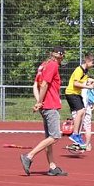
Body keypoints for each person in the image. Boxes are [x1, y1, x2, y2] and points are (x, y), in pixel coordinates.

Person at [20, 47, 68, 176]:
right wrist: (40, 102)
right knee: (55, 136)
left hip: (44, 106)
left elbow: (35, 85)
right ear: (61, 56)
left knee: (49, 138)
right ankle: (29, 156)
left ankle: (52, 166)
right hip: (50, 105)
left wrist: (38, 102)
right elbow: (45, 84)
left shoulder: (43, 65)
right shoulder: (53, 65)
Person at [64, 52, 94, 148]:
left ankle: (76, 134)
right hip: (71, 93)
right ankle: (75, 134)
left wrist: (90, 85)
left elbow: (86, 82)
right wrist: (87, 87)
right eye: (93, 63)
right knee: (81, 111)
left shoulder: (85, 72)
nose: (93, 66)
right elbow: (75, 84)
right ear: (87, 61)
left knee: (82, 112)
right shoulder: (79, 70)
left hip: (76, 94)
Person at [81, 85, 94, 151]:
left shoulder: (89, 91)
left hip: (84, 108)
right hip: (85, 108)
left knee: (85, 127)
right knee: (85, 127)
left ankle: (87, 144)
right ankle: (87, 144)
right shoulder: (89, 90)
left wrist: (91, 109)